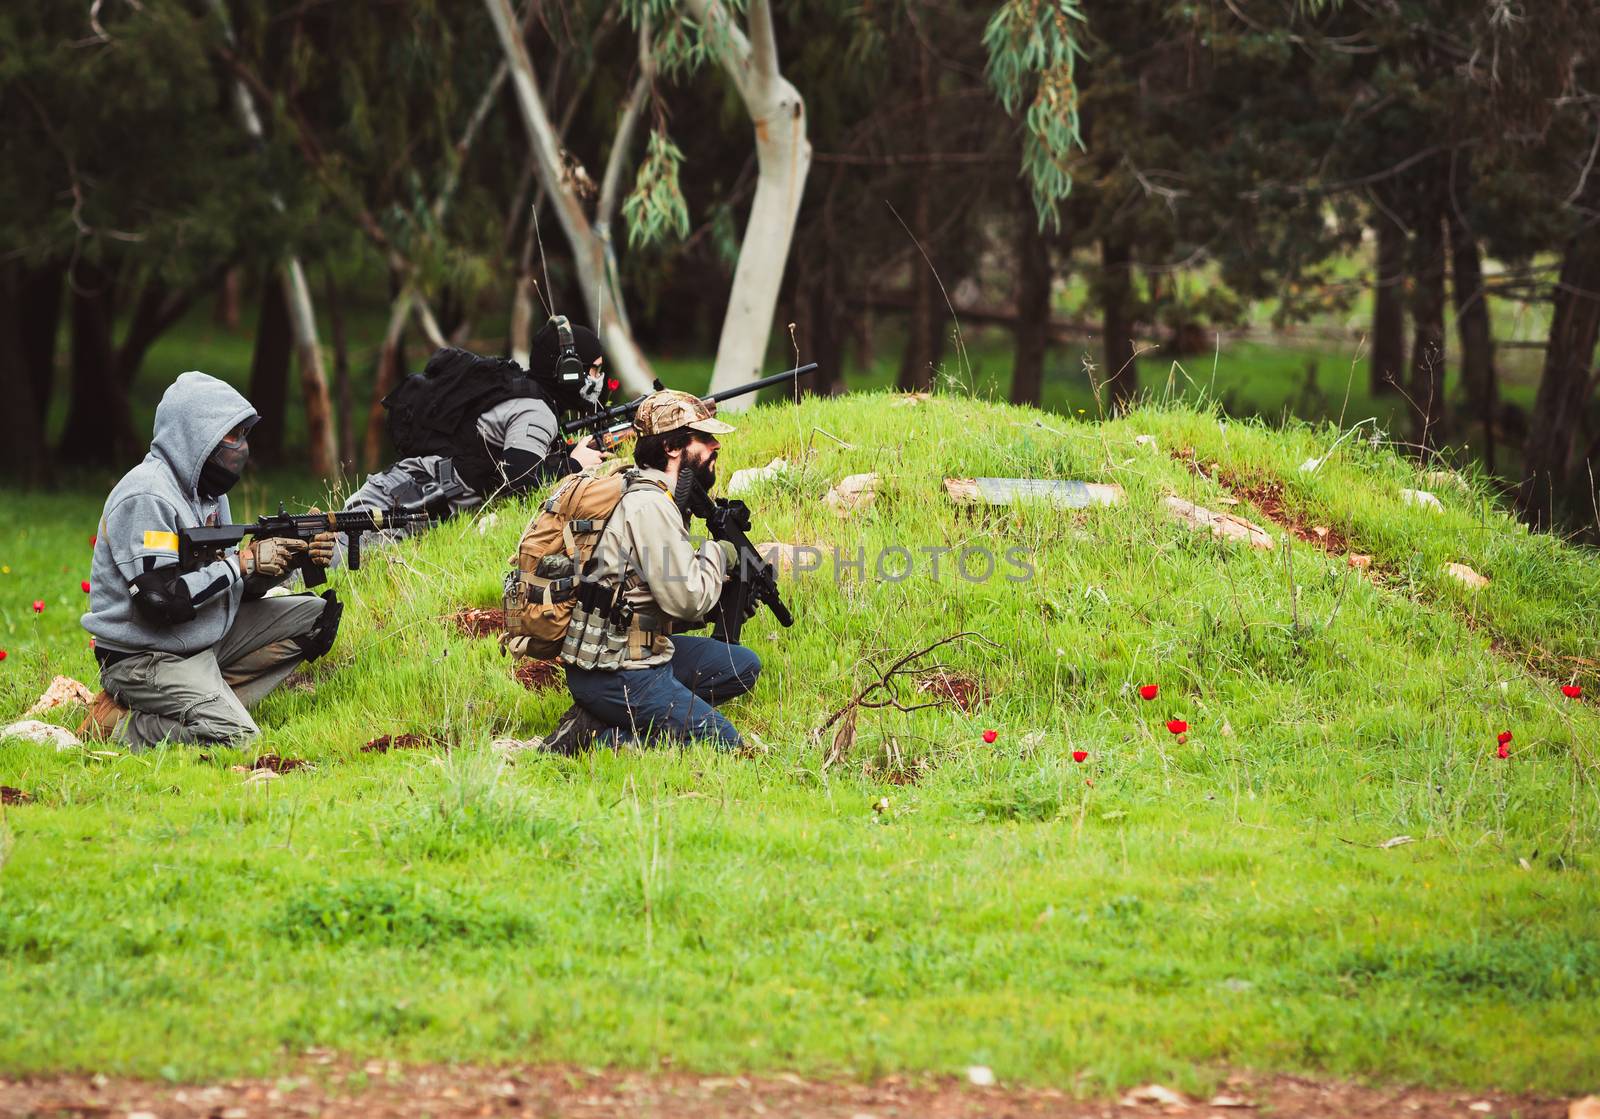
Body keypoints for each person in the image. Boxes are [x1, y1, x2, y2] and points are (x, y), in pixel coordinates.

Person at [79, 372, 341, 749]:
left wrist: (286, 560)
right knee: (238, 738)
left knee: (315, 618)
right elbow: (160, 601)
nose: (242, 447)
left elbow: (232, 585)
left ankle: (205, 699)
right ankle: (118, 728)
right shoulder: (146, 495)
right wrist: (244, 562)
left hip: (203, 639)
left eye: (244, 434)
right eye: (231, 435)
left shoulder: (208, 493)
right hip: (144, 656)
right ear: (193, 434)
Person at [549, 389, 762, 752]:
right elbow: (688, 600)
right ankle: (598, 739)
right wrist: (717, 553)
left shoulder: (650, 493)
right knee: (724, 745)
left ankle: (623, 714)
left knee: (742, 666)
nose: (715, 446)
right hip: (617, 671)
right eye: (704, 438)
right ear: (672, 447)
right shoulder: (649, 506)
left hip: (642, 650)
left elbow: (653, 590)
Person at [343, 318, 613, 522]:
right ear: (569, 371)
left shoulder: (526, 394)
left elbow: (510, 463)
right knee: (326, 568)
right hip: (395, 502)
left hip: (408, 494)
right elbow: (521, 482)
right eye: (595, 369)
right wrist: (574, 463)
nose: (599, 377)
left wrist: (565, 452)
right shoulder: (537, 411)